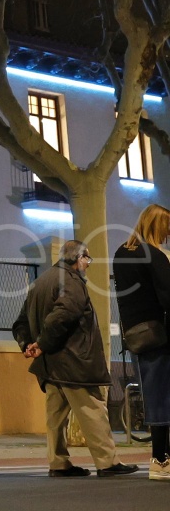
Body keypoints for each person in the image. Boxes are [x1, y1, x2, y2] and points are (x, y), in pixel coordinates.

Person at [13, 239, 138, 477]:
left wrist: (28, 344)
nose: (88, 264)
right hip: (74, 362)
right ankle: (107, 462)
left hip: (49, 365)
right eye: (87, 259)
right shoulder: (71, 281)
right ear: (78, 258)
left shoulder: (41, 281)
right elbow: (63, 314)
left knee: (55, 418)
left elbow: (20, 322)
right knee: (92, 411)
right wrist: (42, 343)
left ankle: (58, 463)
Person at [113, 204, 170, 480]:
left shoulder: (121, 253)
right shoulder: (154, 255)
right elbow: (167, 297)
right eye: (167, 228)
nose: (168, 235)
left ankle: (161, 458)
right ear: (158, 226)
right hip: (160, 334)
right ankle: (160, 459)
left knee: (154, 393)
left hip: (137, 335)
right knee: (162, 395)